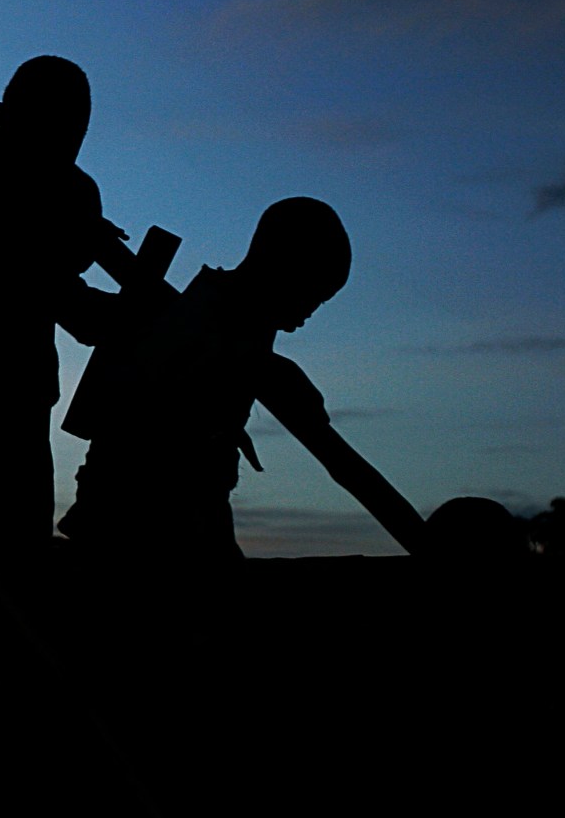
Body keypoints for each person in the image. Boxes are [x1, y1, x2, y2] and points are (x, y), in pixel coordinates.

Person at [55, 197, 424, 564]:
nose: (309, 313)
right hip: (144, 526)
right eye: (312, 296)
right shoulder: (206, 328)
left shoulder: (231, 330)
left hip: (180, 519)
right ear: (284, 272)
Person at [0, 56, 114, 553]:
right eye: (53, 130)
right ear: (3, 118)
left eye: (72, 136)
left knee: (16, 535)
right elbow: (41, 282)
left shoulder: (73, 190)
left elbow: (58, 284)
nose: (62, 148)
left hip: (21, 391)